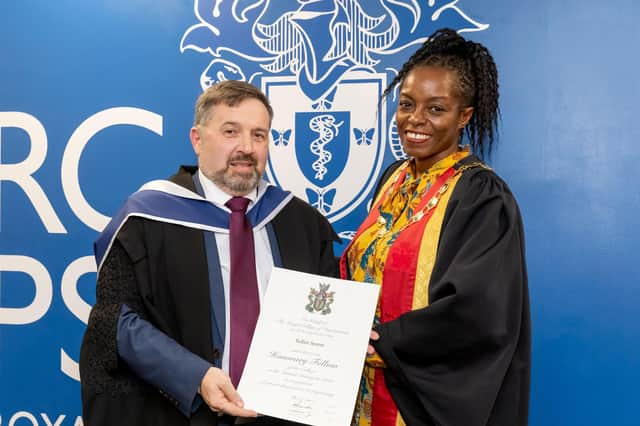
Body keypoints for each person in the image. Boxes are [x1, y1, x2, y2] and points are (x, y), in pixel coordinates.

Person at [80, 80, 339, 426]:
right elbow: (116, 321)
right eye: (231, 131)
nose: (246, 147)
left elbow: (324, 316)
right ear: (197, 139)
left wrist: (344, 334)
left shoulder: (300, 223)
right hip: (182, 411)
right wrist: (195, 375)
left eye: (259, 135)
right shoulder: (145, 219)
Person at [340, 28, 530, 426]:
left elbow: (479, 312)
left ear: (465, 116)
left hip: (413, 401)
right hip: (359, 387)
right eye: (406, 104)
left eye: (436, 108)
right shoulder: (394, 179)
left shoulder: (481, 196)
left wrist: (383, 342)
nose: (415, 119)